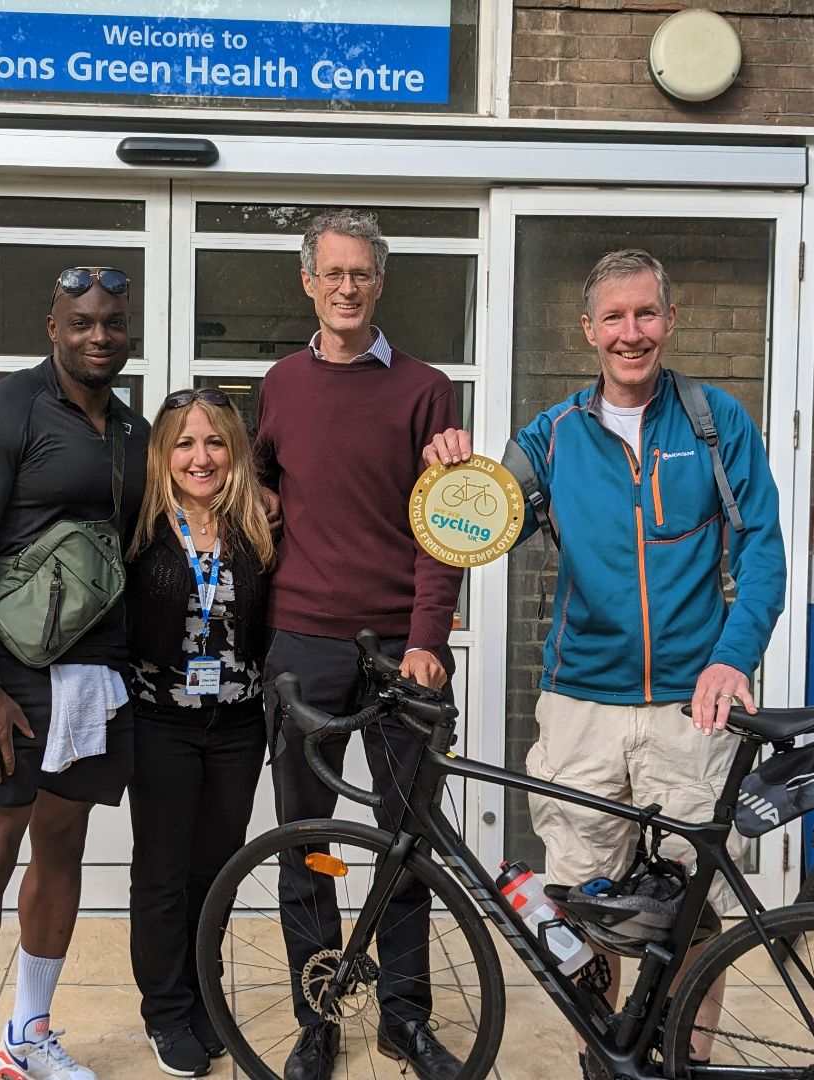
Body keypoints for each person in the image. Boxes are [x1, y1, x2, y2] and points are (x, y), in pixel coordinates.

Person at [424, 248, 786, 1075]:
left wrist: (732, 658)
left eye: (646, 314)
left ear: (670, 318)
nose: (632, 333)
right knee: (588, 907)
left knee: (694, 908)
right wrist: (452, 474)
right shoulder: (551, 435)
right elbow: (476, 525)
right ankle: (609, 1057)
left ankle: (687, 1059)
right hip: (581, 704)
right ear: (588, 331)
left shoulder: (713, 419)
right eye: (615, 318)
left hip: (691, 707)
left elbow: (763, 548)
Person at [254, 210, 466, 1080]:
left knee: (407, 840)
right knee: (306, 841)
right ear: (308, 281)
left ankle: (404, 1018)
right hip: (300, 644)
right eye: (332, 273)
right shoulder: (278, 383)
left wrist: (429, 638)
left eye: (362, 274)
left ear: (381, 283)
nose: (347, 287)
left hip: (400, 651)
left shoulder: (426, 389)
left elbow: (443, 526)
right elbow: (259, 485)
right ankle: (318, 1017)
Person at [0, 266, 150, 1080]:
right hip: (10, 679)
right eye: (83, 321)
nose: (100, 336)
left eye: (114, 323)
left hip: (97, 677)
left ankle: (28, 1037)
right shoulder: (1, 413)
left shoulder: (131, 431)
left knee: (62, 850)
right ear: (51, 326)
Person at [123, 388, 277, 1078]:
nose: (200, 456)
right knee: (160, 874)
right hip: (160, 723)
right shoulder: (139, 526)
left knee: (214, 873)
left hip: (239, 725)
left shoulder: (257, 528)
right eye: (184, 443)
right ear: (164, 454)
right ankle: (166, 1009)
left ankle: (203, 994)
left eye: (214, 441)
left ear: (234, 451)